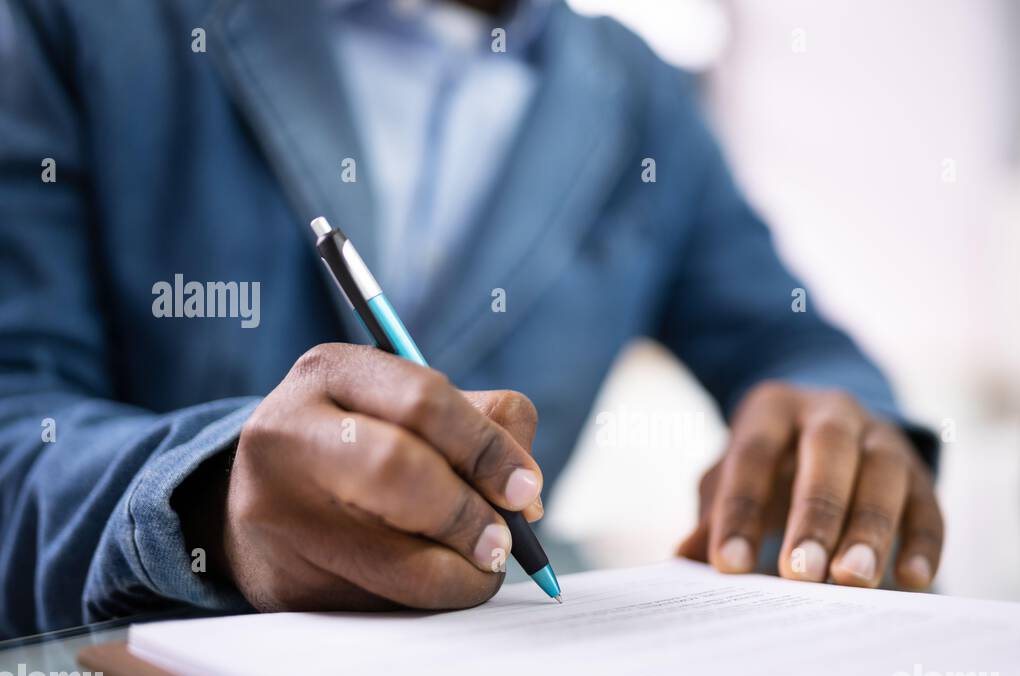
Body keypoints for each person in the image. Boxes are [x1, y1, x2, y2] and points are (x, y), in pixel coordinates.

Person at [0, 0, 943, 637]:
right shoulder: (82, 23)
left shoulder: (645, 102)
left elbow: (793, 339)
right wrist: (208, 498)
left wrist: (842, 424)